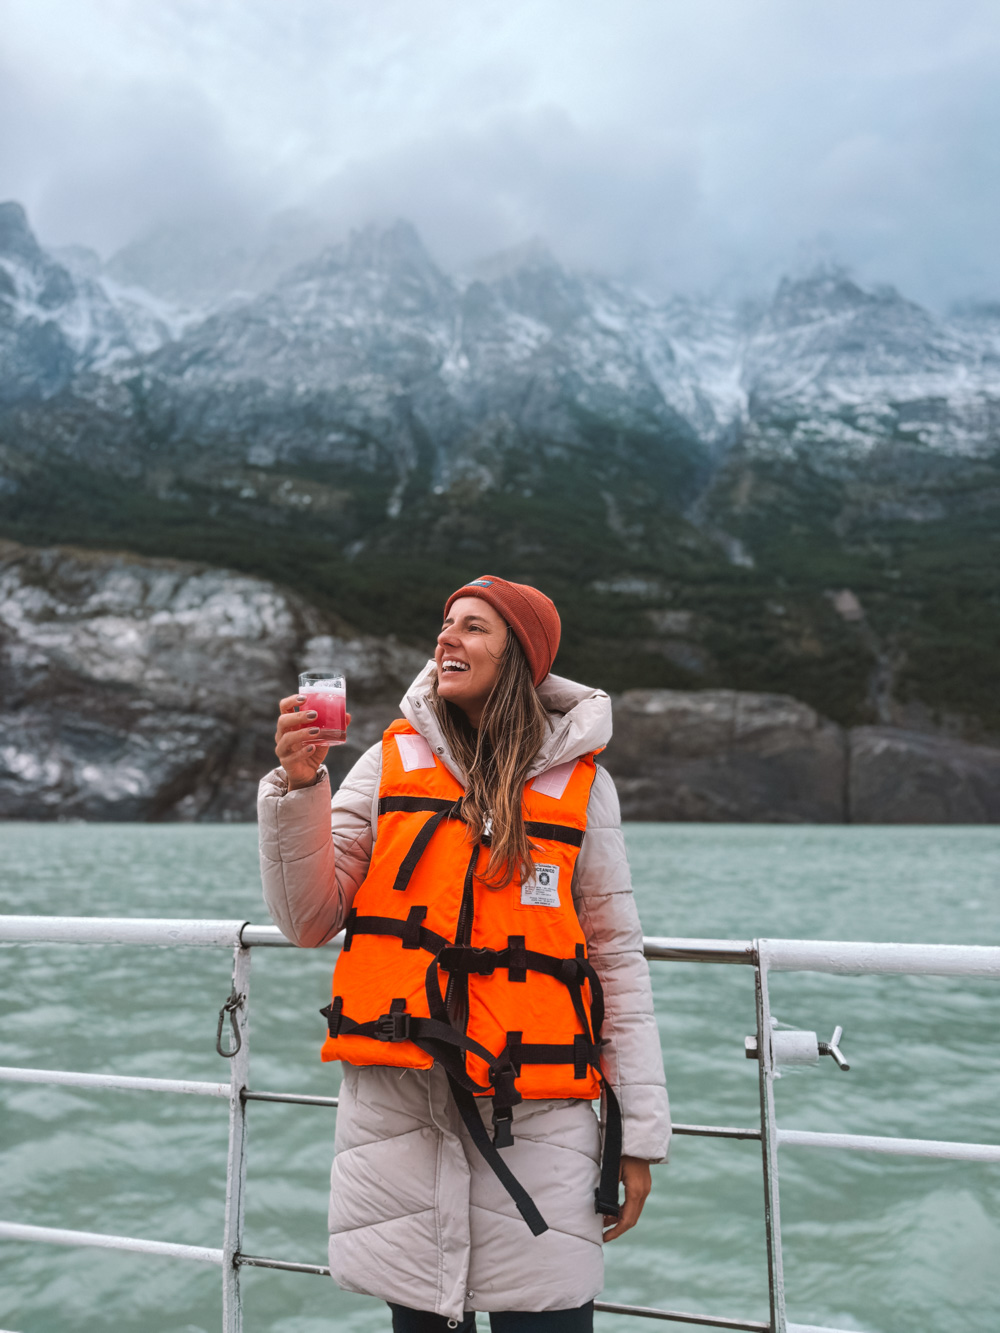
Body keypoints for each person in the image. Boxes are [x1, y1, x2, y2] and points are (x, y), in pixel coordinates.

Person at [258, 575, 670, 1333]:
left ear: (519, 656)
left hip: (540, 1125)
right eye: (446, 622)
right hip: (403, 1118)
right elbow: (308, 917)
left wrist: (638, 1138)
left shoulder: (585, 787)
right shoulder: (388, 763)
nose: (447, 637)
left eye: (474, 627)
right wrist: (299, 784)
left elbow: (616, 962)